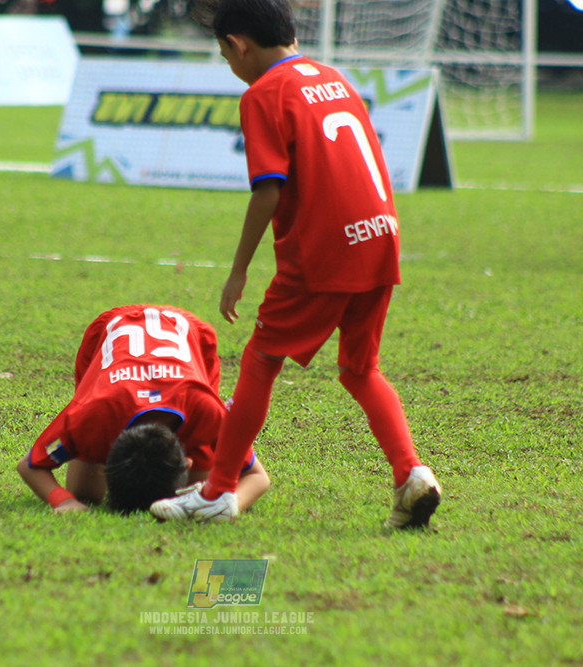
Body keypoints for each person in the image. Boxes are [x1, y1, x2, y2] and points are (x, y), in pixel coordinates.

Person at [149, 0, 441, 529]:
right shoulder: (333, 79)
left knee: (261, 359)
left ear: (239, 45)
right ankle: (411, 474)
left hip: (323, 252)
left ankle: (216, 493)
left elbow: (268, 190)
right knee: (359, 369)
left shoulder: (263, 93)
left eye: (223, 54)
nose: (230, 65)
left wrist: (238, 270)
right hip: (379, 239)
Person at [17, 304, 270, 516]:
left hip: (190, 332)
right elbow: (29, 464)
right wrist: (64, 501)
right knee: (86, 495)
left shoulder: (205, 409)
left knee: (200, 488)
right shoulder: (93, 414)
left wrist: (225, 506)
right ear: (106, 454)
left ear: (186, 459)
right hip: (109, 331)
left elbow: (258, 477)